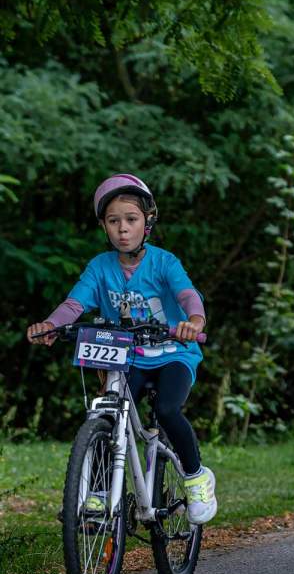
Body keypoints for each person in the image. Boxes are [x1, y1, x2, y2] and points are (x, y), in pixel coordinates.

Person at [27, 174, 218, 524]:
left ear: (148, 221)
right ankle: (99, 494)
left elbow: (187, 294)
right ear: (104, 226)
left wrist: (195, 321)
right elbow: (74, 304)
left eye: (131, 219)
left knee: (167, 408)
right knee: (107, 414)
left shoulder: (164, 262)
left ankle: (196, 477)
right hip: (129, 356)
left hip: (174, 353)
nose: (123, 229)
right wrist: (51, 325)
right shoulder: (100, 267)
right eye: (113, 221)